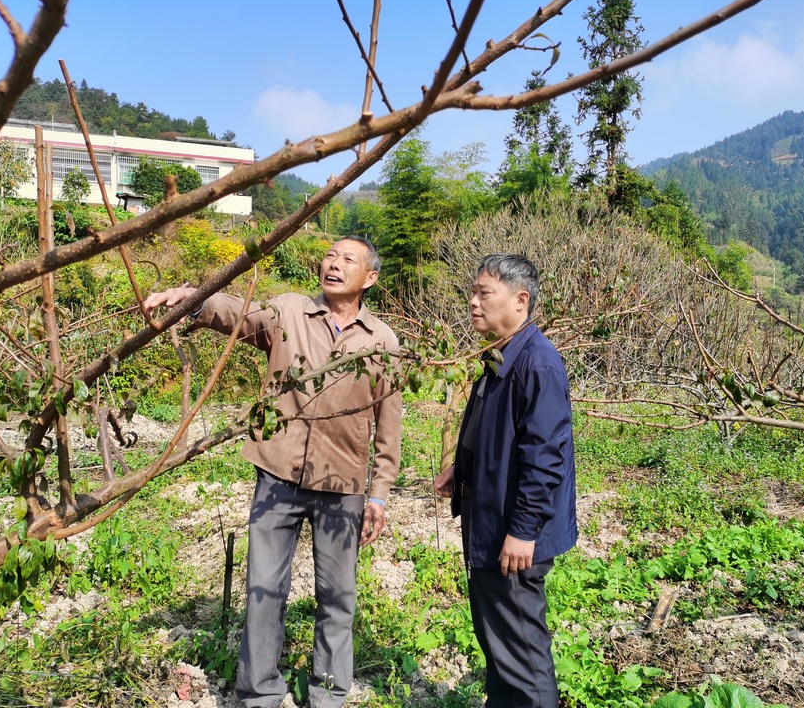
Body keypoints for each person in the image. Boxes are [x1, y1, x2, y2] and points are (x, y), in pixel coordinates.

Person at [143, 236, 401, 708]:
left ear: (371, 278)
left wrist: (378, 493)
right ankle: (259, 693)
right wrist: (195, 302)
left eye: (348, 260)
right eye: (329, 256)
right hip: (277, 475)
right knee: (263, 591)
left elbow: (389, 422)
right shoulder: (290, 311)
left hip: (342, 484)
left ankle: (328, 695)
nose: (334, 265)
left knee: (337, 596)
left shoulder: (381, 340)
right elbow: (237, 313)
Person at [434, 253, 577, 708]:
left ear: (520, 300)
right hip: (491, 521)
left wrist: (523, 530)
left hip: (512, 535)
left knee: (521, 654)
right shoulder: (500, 356)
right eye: (472, 293)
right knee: (499, 647)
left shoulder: (537, 363)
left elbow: (545, 456)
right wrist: (463, 468)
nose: (473, 303)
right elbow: (499, 433)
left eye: (483, 293)